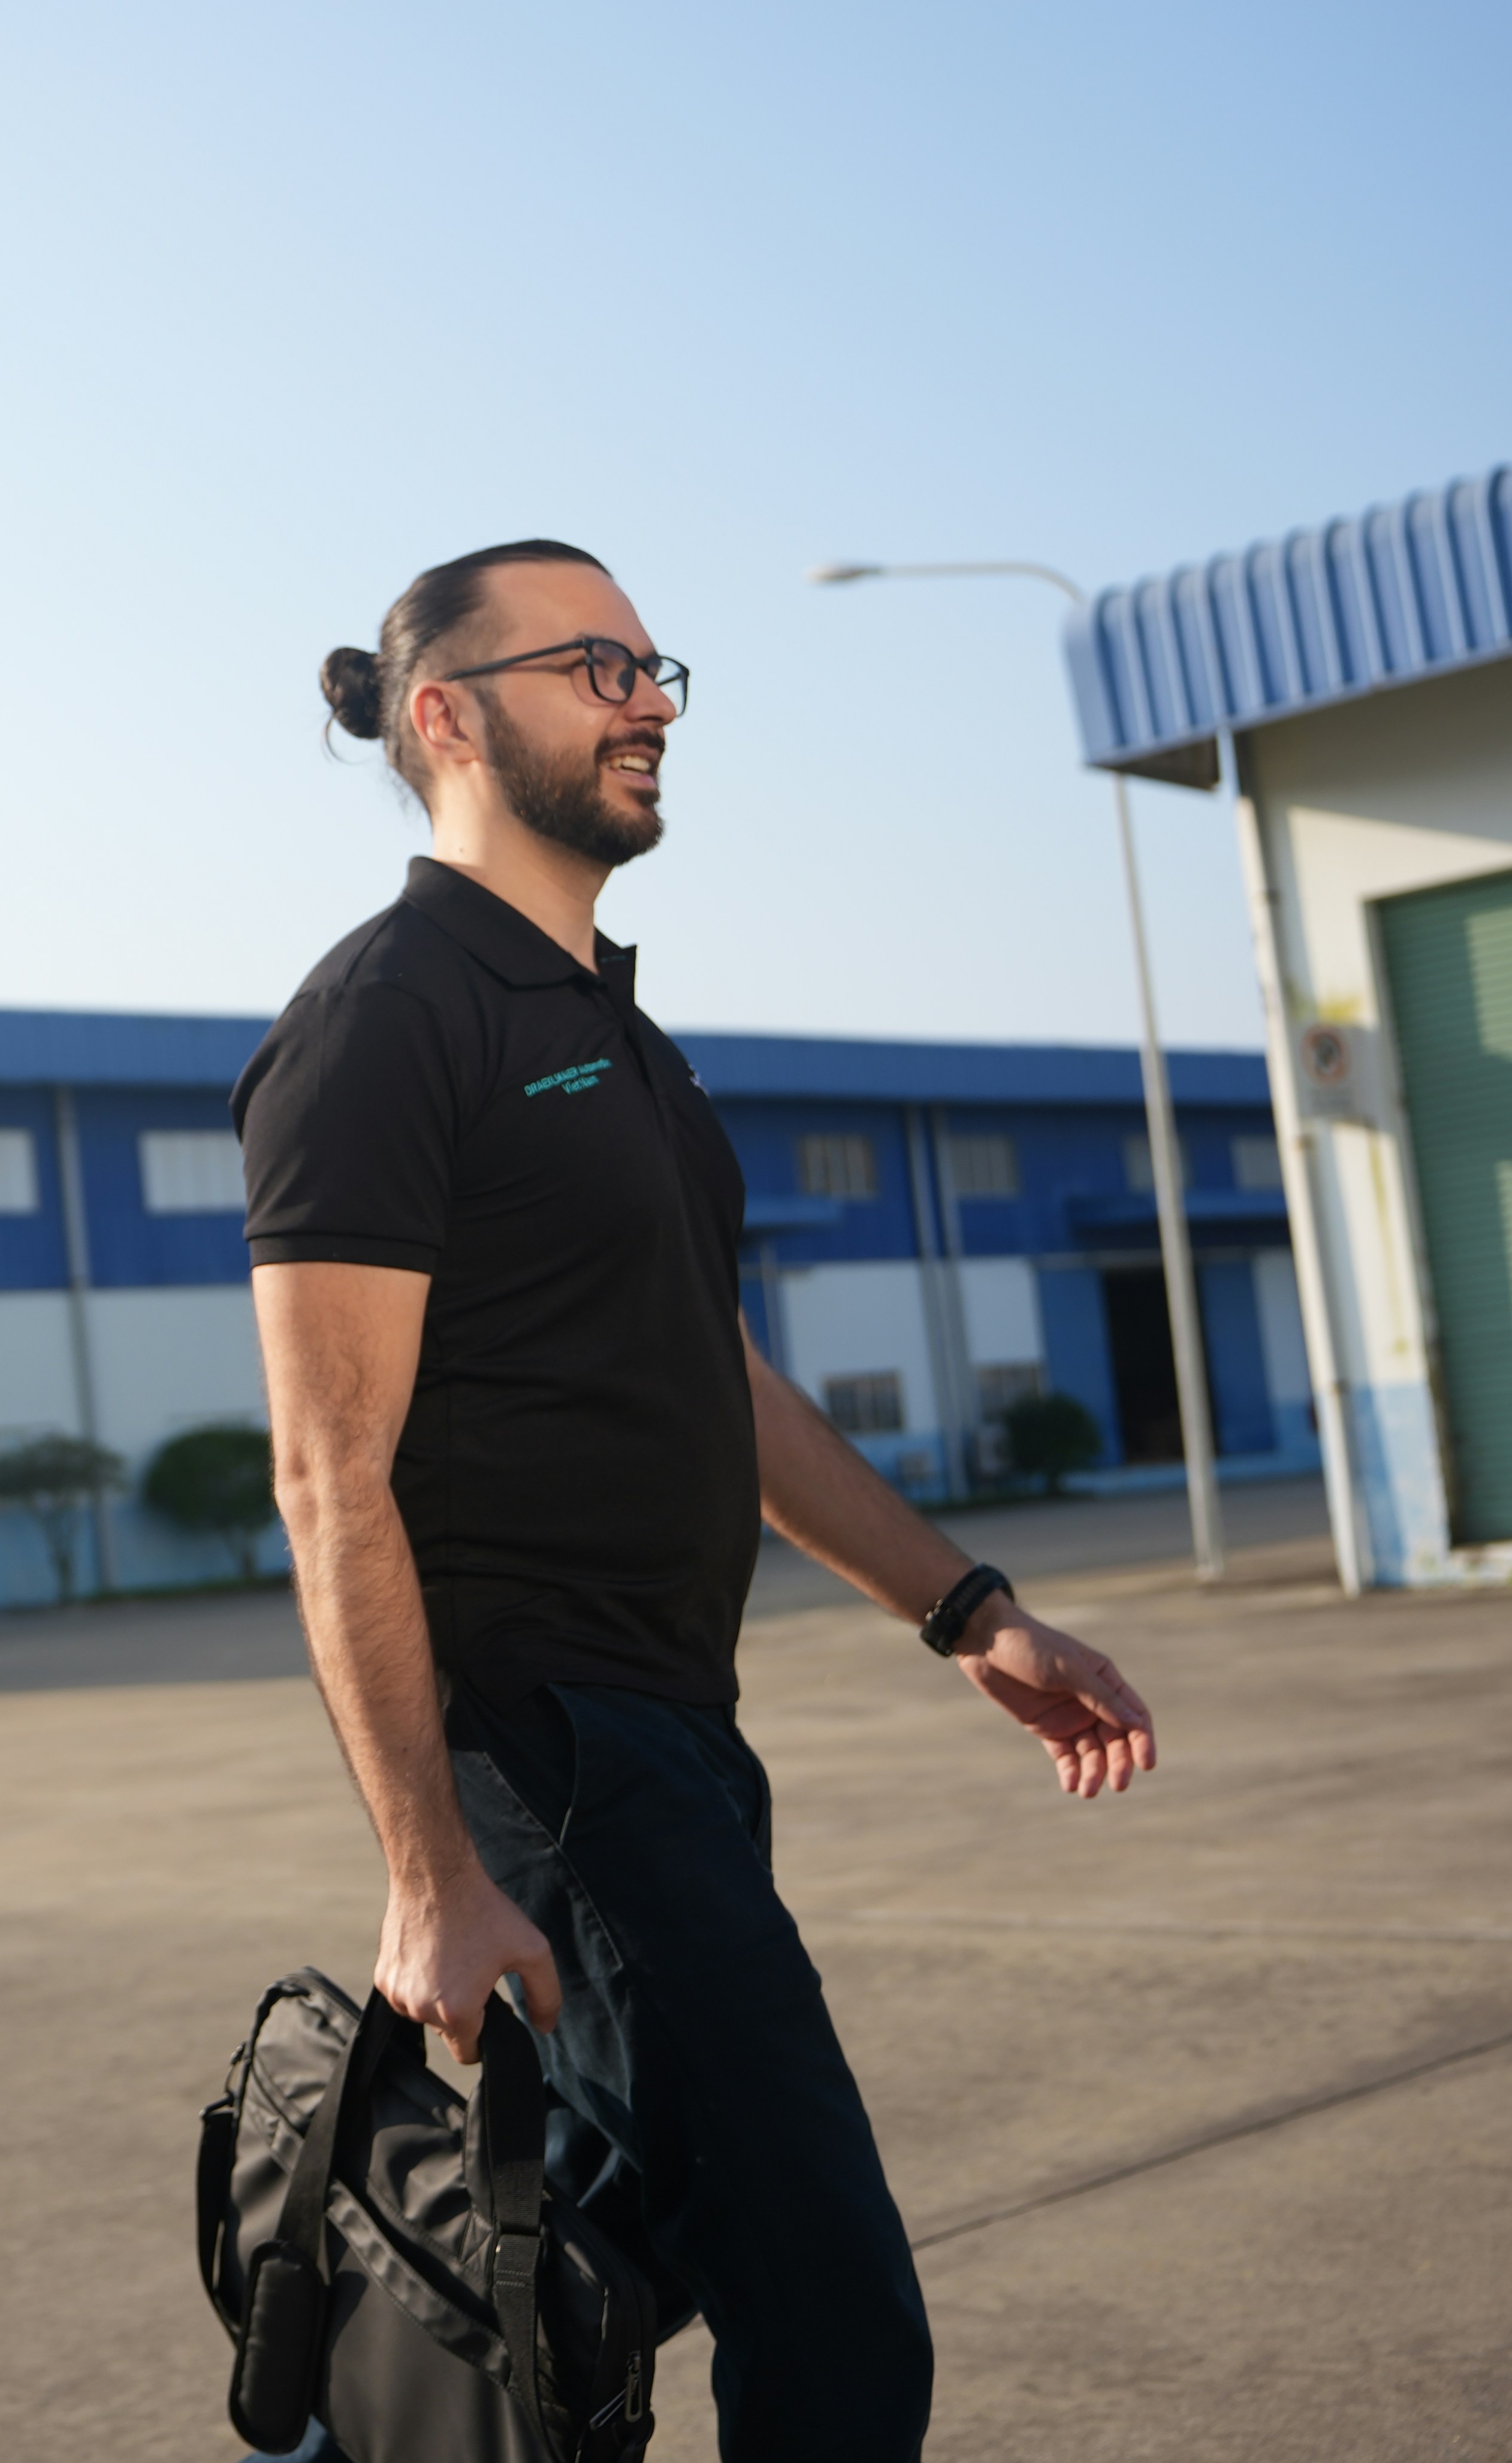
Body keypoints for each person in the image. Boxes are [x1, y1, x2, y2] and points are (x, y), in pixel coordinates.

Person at [236, 539, 1160, 2461]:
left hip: (670, 1734)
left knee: (558, 2278)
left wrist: (965, 1609)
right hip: (549, 1755)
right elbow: (327, 1471)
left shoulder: (619, 1044)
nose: (648, 700)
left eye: (657, 668)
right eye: (593, 666)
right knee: (829, 2311)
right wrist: (428, 1870)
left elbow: (718, 1385)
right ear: (444, 714)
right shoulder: (390, 1013)